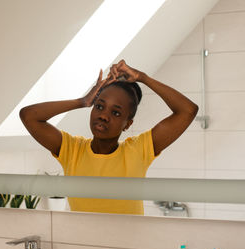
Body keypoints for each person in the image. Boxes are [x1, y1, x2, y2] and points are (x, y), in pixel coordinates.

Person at [20, 59, 198, 215]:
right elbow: (29, 116)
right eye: (99, 106)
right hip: (82, 246)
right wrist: (82, 101)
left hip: (130, 247)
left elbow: (188, 110)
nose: (104, 115)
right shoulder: (72, 149)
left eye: (116, 112)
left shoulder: (138, 150)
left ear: (128, 124)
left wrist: (144, 78)